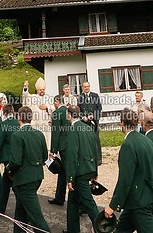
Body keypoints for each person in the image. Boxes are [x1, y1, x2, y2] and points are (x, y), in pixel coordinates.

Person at [104, 108, 153, 233]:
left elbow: (125, 179)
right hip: (142, 196)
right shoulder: (147, 140)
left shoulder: (128, 144)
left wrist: (113, 205)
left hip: (138, 201)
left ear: (122, 123)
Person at [6, 106, 50, 233]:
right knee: (21, 212)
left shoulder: (17, 135)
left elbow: (15, 161)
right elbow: (44, 157)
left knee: (36, 218)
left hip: (24, 180)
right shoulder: (39, 134)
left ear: (18, 118)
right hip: (37, 176)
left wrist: (8, 171)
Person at [64, 105, 99, 233]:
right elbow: (94, 151)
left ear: (69, 115)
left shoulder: (73, 129)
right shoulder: (87, 127)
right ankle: (72, 229)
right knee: (72, 201)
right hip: (88, 168)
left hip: (80, 172)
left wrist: (70, 178)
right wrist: (95, 170)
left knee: (88, 203)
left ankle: (102, 227)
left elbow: (72, 155)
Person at [0, 104, 19, 214]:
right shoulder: (18, 123)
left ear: (4, 112)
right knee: (5, 182)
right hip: (17, 156)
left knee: (14, 184)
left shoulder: (4, 125)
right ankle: (1, 206)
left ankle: (25, 209)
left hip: (7, 157)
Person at [48, 94, 69, 206]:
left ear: (56, 102)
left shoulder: (56, 113)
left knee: (64, 171)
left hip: (62, 145)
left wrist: (53, 150)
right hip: (70, 143)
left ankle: (60, 197)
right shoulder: (68, 111)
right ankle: (59, 197)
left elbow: (56, 133)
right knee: (65, 171)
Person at [22, 77, 53, 149]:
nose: (42, 91)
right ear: (37, 90)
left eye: (43, 90)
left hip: (46, 124)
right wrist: (25, 88)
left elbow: (53, 109)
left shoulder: (49, 98)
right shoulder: (33, 97)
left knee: (47, 142)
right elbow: (25, 96)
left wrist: (47, 108)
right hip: (36, 124)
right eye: (40, 90)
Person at [77, 81, 102, 165]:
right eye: (85, 87)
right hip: (85, 122)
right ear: (82, 88)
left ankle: (98, 159)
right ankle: (88, 159)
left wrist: (93, 116)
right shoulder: (80, 97)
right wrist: (83, 117)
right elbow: (78, 110)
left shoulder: (95, 95)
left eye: (87, 86)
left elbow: (99, 107)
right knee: (86, 140)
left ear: (89, 86)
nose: (86, 88)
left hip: (94, 121)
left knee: (96, 139)